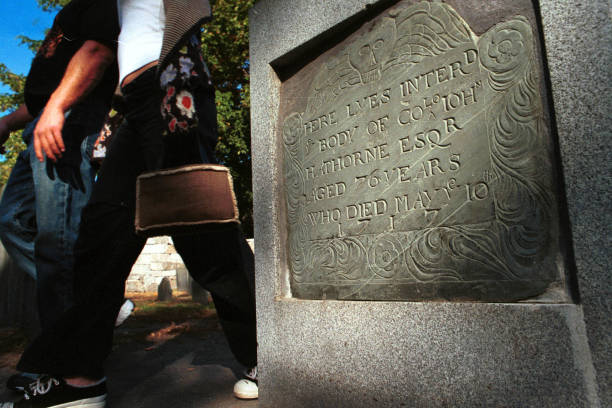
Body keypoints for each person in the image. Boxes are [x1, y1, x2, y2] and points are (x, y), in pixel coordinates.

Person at [0, 0, 258, 406]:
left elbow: (99, 49)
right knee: (100, 236)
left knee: (204, 236)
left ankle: (263, 352)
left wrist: (56, 106)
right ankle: (80, 380)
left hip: (175, 89)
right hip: (138, 104)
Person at [0, 0, 123, 393]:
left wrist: (58, 108)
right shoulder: (68, 13)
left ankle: (69, 370)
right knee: (13, 219)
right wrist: (8, 120)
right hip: (42, 121)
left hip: (69, 120)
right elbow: (43, 90)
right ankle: (94, 300)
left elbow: (97, 52)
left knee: (58, 243)